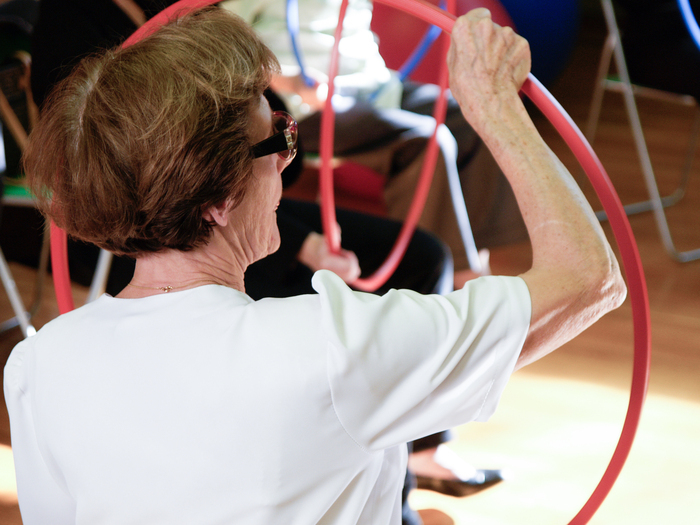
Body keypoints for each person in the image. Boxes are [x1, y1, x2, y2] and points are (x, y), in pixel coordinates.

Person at [4, 7, 626, 525]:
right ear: (218, 201)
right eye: (277, 143)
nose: (284, 164)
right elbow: (588, 278)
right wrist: (495, 108)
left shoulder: (38, 364)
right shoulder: (333, 346)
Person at [221, 0, 529, 280]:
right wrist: (293, 83)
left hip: (375, 88)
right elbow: (224, 49)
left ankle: (476, 258)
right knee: (425, 140)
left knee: (474, 119)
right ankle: (453, 277)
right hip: (300, 105)